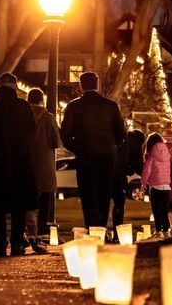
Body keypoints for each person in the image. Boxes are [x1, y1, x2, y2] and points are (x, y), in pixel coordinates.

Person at [0, 72, 38, 256]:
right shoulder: (23, 107)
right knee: (18, 206)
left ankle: (1, 243)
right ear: (14, 85)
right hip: (19, 161)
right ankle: (17, 242)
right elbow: (32, 130)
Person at [60, 71, 127, 234]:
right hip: (107, 154)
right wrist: (112, 144)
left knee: (88, 190)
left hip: (85, 154)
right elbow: (122, 132)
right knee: (105, 190)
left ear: (81, 85)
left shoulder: (74, 106)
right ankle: (101, 225)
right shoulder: (110, 106)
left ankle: (91, 224)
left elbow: (65, 134)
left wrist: (77, 148)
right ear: (97, 84)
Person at [26, 87, 61, 245]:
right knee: (45, 199)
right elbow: (56, 141)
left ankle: (30, 232)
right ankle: (41, 233)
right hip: (45, 163)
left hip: (27, 162)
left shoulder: (23, 116)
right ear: (42, 100)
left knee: (28, 199)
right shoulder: (48, 117)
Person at [140, 132, 171, 237]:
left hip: (155, 186)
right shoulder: (167, 154)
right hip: (166, 185)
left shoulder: (151, 155)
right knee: (164, 209)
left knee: (156, 209)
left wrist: (143, 184)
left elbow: (146, 171)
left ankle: (159, 231)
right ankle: (166, 230)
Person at [113, 129, 145, 228]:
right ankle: (117, 230)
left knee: (101, 201)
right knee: (119, 201)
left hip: (103, 171)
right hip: (117, 175)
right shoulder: (135, 143)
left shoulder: (122, 139)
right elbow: (138, 164)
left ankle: (96, 231)